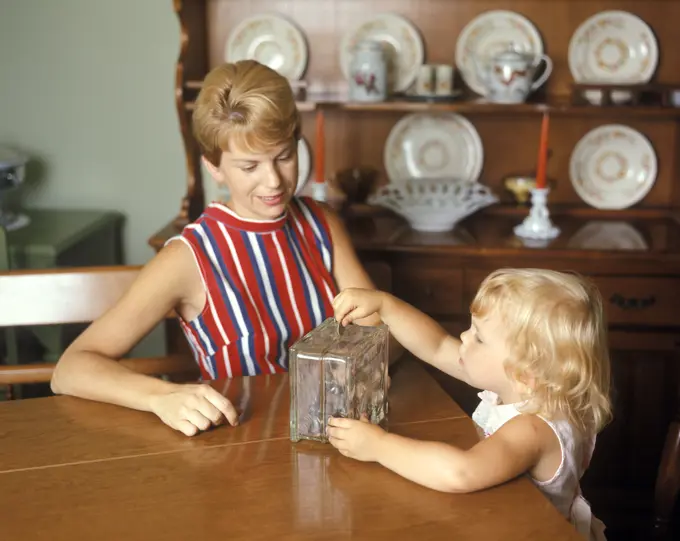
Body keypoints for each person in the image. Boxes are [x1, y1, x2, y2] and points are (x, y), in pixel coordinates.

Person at [51, 59, 388, 437]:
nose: (273, 180)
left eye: (284, 157)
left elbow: (380, 336)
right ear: (213, 166)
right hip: (239, 454)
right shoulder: (188, 257)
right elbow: (71, 369)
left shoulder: (322, 222)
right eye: (249, 167)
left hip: (340, 437)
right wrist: (161, 396)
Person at [329, 268, 612, 540]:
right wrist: (385, 306)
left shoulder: (534, 427)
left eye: (479, 338)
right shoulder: (521, 387)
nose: (464, 337)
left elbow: (461, 472)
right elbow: (437, 345)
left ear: (525, 372)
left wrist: (378, 446)